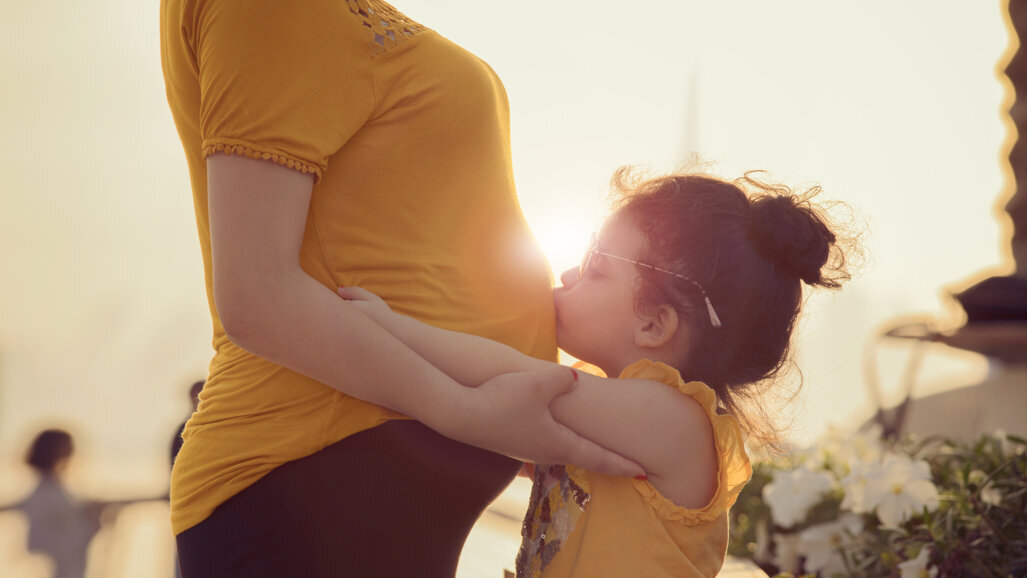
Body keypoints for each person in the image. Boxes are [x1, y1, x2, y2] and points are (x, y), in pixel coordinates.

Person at [160, 0, 640, 576]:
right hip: (309, 477)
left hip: (353, 484)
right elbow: (257, 297)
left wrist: (500, 415)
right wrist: (468, 411)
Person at [338, 170, 856, 577]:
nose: (567, 274)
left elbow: (507, 375)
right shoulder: (621, 407)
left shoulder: (671, 420)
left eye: (595, 268)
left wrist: (393, 327)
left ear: (653, 323)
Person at [0, 430, 106, 578]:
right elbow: (64, 539)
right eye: (67, 448)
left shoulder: (57, 490)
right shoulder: (47, 493)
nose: (72, 453)